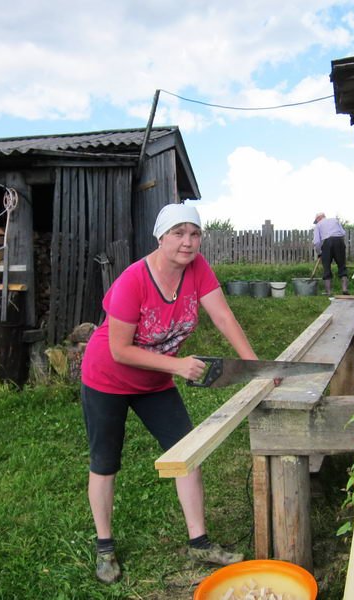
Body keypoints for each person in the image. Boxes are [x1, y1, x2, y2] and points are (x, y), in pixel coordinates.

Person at [80, 203, 258, 584]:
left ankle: (199, 542)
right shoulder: (133, 280)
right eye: (178, 233)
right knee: (105, 461)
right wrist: (177, 365)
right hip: (106, 379)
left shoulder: (198, 269)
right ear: (161, 237)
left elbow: (223, 315)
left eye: (194, 234)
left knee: (186, 452)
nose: (188, 242)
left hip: (153, 381)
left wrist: (254, 366)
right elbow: (119, 350)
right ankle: (105, 547)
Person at [312, 211, 348, 295]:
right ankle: (344, 289)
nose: (316, 222)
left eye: (316, 220)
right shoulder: (335, 220)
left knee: (326, 267)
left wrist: (319, 252)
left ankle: (328, 292)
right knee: (342, 266)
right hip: (339, 241)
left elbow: (317, 242)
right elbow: (343, 233)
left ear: (318, 218)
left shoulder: (318, 225)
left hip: (327, 243)